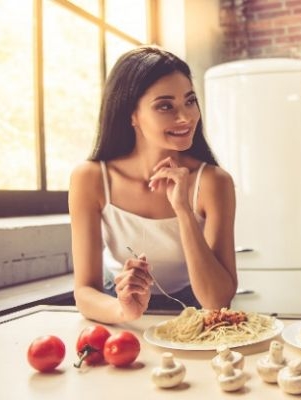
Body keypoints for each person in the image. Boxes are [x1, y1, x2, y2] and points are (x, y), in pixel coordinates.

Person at [69, 45, 237, 324]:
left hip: (194, 312)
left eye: (190, 101)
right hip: (116, 307)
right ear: (130, 115)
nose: (185, 117)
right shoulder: (90, 179)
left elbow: (218, 300)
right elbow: (85, 291)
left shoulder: (213, 182)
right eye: (165, 106)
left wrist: (183, 209)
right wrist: (124, 310)